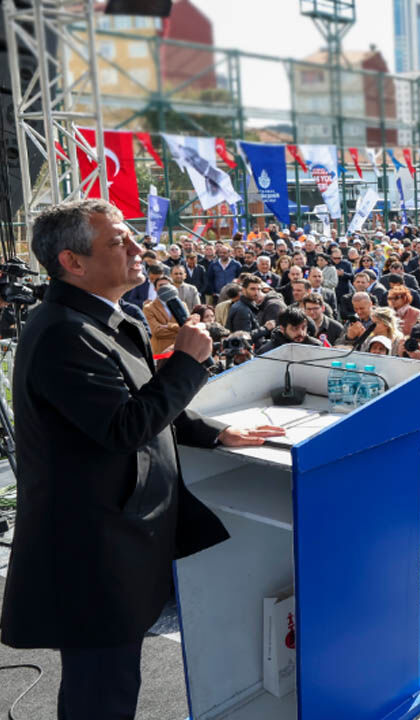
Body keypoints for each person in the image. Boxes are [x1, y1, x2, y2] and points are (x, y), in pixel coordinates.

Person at [0, 199, 283, 719]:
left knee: (113, 680)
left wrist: (214, 434)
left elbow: (136, 397)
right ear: (73, 262)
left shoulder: (106, 317)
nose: (139, 248)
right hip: (91, 550)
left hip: (118, 537)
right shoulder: (65, 333)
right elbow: (123, 425)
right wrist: (188, 364)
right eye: (119, 242)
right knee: (101, 692)